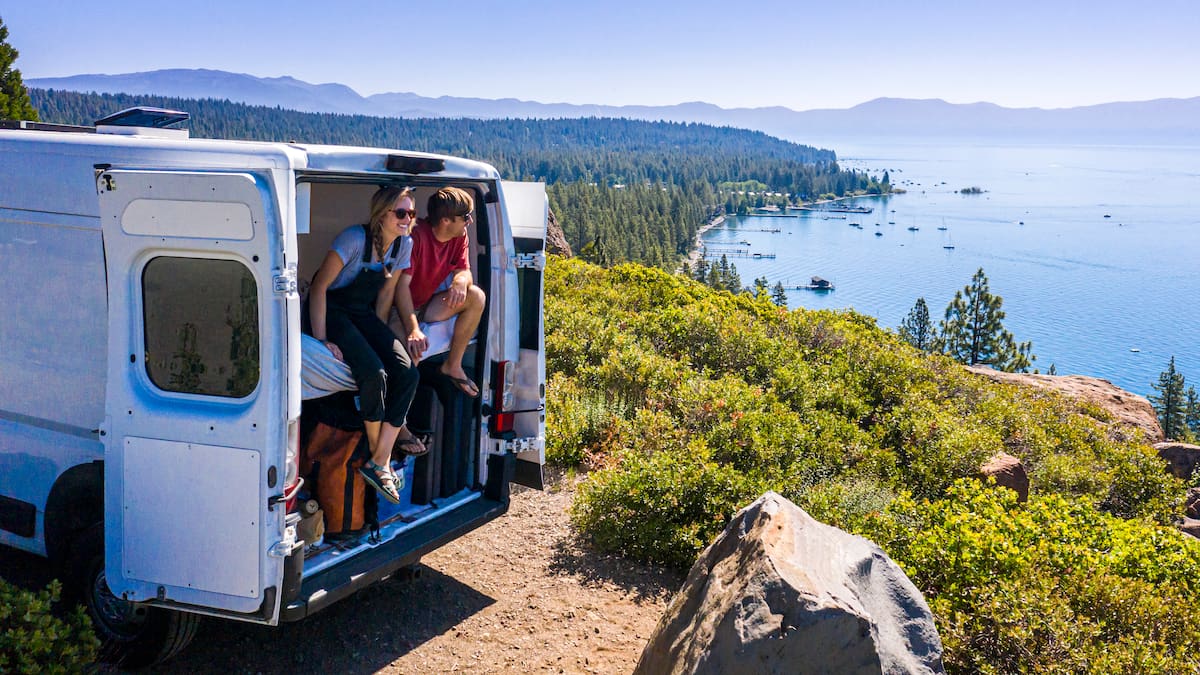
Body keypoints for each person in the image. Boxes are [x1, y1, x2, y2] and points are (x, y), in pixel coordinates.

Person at [308, 186, 425, 504]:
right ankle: (378, 457)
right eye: (400, 213)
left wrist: (381, 337)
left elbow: (385, 295)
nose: (407, 219)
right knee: (374, 373)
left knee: (408, 373)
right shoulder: (353, 239)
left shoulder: (404, 244)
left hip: (362, 312)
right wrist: (322, 339)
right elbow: (319, 288)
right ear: (381, 213)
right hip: (332, 310)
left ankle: (380, 459)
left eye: (411, 213)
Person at [395, 187, 486, 398]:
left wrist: (460, 282)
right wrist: (413, 330)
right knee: (411, 358)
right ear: (446, 221)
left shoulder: (459, 235)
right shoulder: (416, 237)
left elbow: (464, 271)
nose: (470, 221)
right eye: (465, 217)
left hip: (425, 304)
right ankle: (396, 418)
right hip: (398, 309)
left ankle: (452, 365)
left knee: (476, 297)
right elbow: (400, 288)